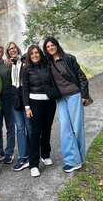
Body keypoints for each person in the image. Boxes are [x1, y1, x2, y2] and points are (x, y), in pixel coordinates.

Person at [43, 37, 90, 173]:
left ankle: (80, 159)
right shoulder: (48, 63)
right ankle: (72, 160)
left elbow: (81, 77)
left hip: (74, 95)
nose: (50, 48)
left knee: (77, 128)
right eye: (47, 46)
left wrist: (84, 95)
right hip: (61, 99)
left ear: (57, 45)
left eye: (52, 45)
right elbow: (31, 59)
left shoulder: (69, 58)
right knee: (65, 129)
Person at [22, 45, 59, 177]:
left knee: (47, 129)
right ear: (29, 56)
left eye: (37, 53)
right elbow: (25, 89)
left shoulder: (47, 65)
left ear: (40, 54)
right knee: (35, 133)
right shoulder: (26, 69)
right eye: (32, 54)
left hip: (49, 102)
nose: (35, 55)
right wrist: (27, 107)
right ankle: (33, 164)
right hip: (34, 103)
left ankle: (45, 154)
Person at [6, 42, 30, 172]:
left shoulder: (25, 60)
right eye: (10, 49)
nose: (12, 50)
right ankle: (23, 157)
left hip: (26, 99)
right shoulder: (8, 65)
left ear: (17, 49)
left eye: (14, 48)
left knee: (30, 128)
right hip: (15, 100)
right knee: (20, 129)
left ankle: (33, 155)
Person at [0, 44, 15, 164]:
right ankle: (0, 151)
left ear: (2, 53)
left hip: (8, 100)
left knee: (10, 127)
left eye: (0, 52)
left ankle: (9, 152)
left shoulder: (8, 65)